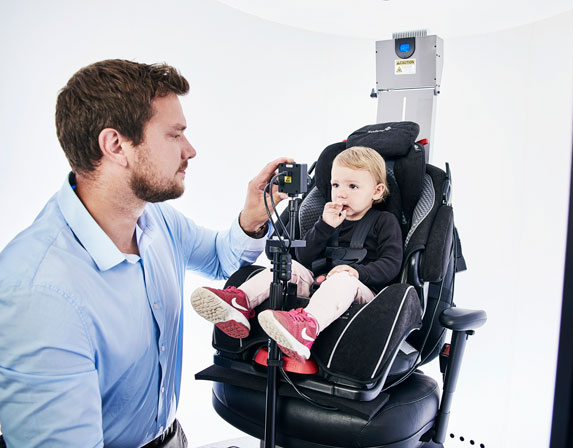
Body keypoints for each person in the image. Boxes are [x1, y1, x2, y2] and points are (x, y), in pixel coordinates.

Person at [0, 59, 290, 447]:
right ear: (116, 145)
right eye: (175, 135)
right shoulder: (40, 294)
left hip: (170, 437)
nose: (191, 150)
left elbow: (221, 258)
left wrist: (253, 218)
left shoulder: (154, 219)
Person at [190, 146, 403, 362]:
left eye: (353, 186)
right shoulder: (327, 217)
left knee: (343, 279)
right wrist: (325, 226)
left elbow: (391, 264)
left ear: (376, 192)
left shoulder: (384, 222)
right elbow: (304, 258)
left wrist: (357, 272)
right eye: (336, 185)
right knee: (287, 266)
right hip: (318, 285)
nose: (341, 192)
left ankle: (305, 329)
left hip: (360, 293)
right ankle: (239, 302)